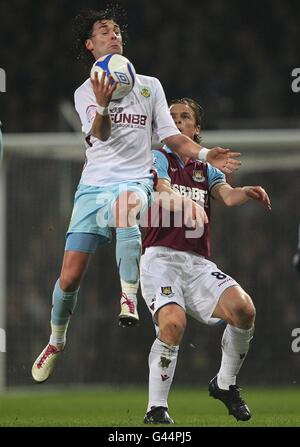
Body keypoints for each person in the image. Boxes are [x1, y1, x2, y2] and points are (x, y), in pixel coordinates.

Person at [31, 7, 240, 384]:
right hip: (94, 185)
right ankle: (56, 340)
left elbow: (172, 138)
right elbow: (101, 134)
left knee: (128, 208)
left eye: (116, 30)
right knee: (70, 277)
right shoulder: (86, 92)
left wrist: (207, 154)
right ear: (91, 45)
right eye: (104, 32)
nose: (113, 35)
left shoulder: (149, 85)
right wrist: (105, 103)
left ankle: (128, 297)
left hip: (135, 179)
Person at [140, 97, 271, 424]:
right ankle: (156, 409)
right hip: (160, 260)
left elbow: (227, 195)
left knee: (244, 309)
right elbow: (163, 190)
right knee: (172, 324)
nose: (177, 121)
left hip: (197, 264)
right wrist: (185, 205)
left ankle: (226, 384)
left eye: (184, 117)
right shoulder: (157, 157)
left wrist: (247, 191)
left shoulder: (205, 169)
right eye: (171, 117)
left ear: (196, 128)